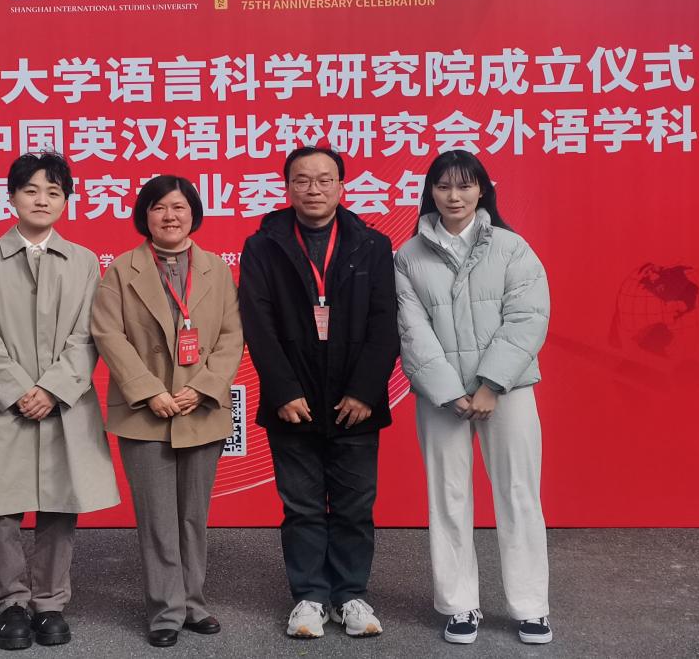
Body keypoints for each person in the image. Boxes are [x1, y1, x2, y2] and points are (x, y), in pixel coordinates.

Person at [0, 152, 120, 651]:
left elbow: (90, 334)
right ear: (11, 196)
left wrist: (53, 389)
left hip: (63, 402)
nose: (42, 200)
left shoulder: (84, 261)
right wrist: (19, 390)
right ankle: (10, 604)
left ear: (66, 201)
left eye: (54, 192)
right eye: (31, 190)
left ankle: (49, 603)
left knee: (60, 505)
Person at [237, 146, 401, 640]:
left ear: (341, 187)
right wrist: (282, 390)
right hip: (293, 401)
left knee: (355, 506)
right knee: (302, 506)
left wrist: (365, 391)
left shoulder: (371, 244)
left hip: (356, 402)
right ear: (287, 187)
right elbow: (257, 322)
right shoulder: (263, 245)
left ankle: (351, 595)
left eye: (324, 179)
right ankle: (309, 596)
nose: (314, 189)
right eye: (303, 180)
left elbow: (385, 322)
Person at [392, 150, 553, 646]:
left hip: (508, 392)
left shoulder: (511, 247)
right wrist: (448, 392)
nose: (454, 196)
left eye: (465, 186)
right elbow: (412, 331)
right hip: (441, 399)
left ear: (483, 190)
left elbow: (527, 318)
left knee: (519, 494)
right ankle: (459, 604)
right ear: (430, 192)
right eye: (443, 186)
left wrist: (490, 384)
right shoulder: (409, 256)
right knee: (448, 497)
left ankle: (531, 606)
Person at [90, 175, 246, 648]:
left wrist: (202, 388)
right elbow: (108, 334)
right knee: (157, 517)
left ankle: (194, 603)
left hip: (201, 409)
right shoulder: (121, 270)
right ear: (145, 216)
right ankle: (165, 610)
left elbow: (231, 336)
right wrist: (148, 391)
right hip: (145, 413)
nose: (170, 216)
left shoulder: (217, 269)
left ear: (193, 213)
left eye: (179, 207)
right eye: (159, 208)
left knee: (193, 515)